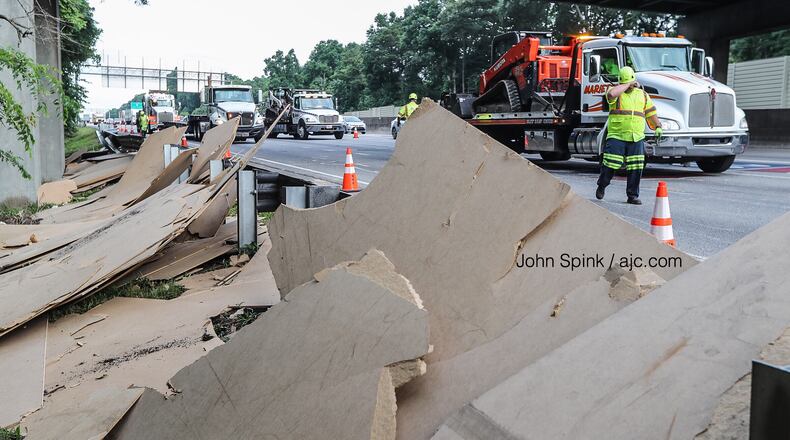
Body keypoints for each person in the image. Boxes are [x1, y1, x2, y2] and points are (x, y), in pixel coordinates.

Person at [596, 66, 662, 205]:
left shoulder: (642, 94)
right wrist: (626, 85)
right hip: (617, 136)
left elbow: (650, 112)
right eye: (626, 82)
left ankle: (632, 196)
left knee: (636, 167)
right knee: (610, 164)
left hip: (636, 136)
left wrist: (658, 126)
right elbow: (611, 95)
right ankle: (602, 185)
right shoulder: (615, 92)